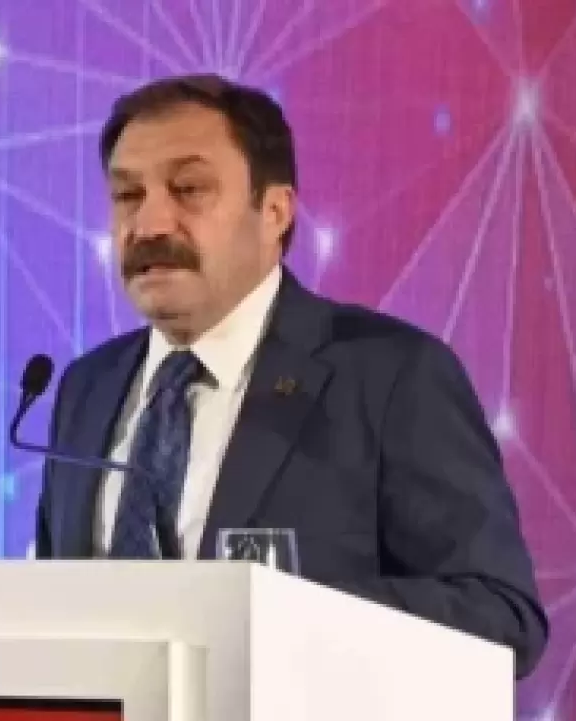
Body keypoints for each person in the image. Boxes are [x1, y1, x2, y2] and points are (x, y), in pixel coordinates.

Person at [32, 73, 548, 679]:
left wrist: (283, 614)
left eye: (189, 189)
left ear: (275, 212)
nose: (149, 226)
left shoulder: (390, 376)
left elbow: (501, 616)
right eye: (127, 195)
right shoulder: (87, 388)